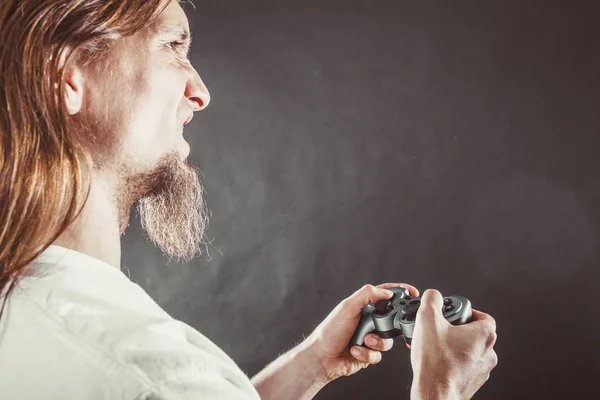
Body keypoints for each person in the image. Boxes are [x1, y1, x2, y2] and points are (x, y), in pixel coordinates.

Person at [0, 0, 498, 399]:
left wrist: (314, 364)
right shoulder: (153, 371)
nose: (201, 92)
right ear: (67, 80)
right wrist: (442, 390)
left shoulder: (22, 305)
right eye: (173, 45)